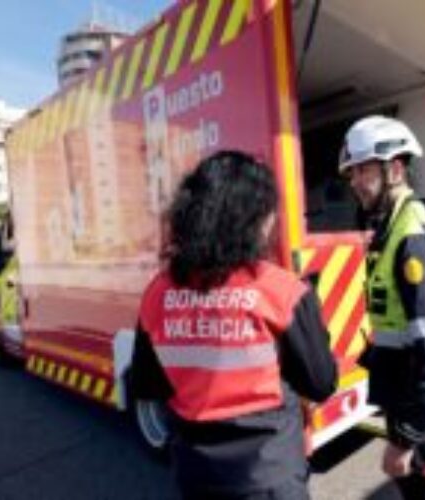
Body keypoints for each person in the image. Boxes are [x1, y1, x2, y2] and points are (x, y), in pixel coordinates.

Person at [130, 151, 338, 500]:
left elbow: (149, 385)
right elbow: (322, 383)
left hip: (196, 476)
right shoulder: (282, 292)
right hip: (270, 479)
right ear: (251, 219)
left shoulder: (157, 293)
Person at [339, 115, 425, 499]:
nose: (355, 182)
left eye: (363, 170)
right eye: (352, 173)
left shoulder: (413, 239)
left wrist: (405, 440)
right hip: (408, 403)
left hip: (423, 419)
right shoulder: (391, 228)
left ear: (395, 168)